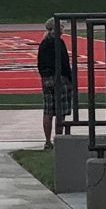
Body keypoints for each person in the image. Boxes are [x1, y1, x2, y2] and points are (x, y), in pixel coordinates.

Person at [37, 17, 76, 150]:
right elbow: (64, 63)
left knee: (48, 111)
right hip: (60, 79)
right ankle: (59, 139)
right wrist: (70, 79)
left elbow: (40, 63)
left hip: (47, 79)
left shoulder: (44, 43)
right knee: (61, 111)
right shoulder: (58, 42)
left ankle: (48, 141)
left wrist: (44, 76)